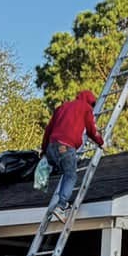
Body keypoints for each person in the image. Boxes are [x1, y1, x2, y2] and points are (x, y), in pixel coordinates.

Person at [39, 88, 105, 219]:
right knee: (71, 175)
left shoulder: (62, 107)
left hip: (52, 147)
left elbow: (48, 129)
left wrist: (44, 150)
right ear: (90, 101)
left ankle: (57, 194)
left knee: (63, 169)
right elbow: (92, 130)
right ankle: (61, 206)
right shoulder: (86, 108)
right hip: (65, 146)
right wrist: (101, 142)